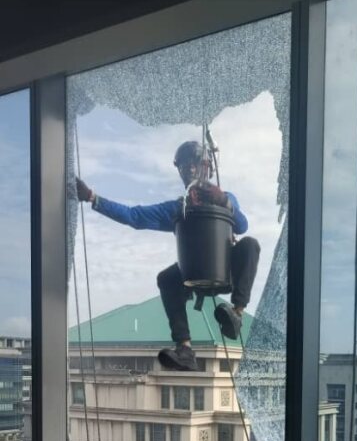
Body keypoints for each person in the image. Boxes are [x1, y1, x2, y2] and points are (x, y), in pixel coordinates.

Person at [76, 140, 260, 371]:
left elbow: (242, 225)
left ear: (206, 167)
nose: (190, 170)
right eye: (184, 166)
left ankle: (236, 314)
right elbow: (135, 216)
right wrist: (93, 197)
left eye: (194, 164)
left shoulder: (226, 198)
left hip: (225, 271)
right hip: (194, 272)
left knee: (250, 245)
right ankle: (184, 349)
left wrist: (223, 201)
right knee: (167, 278)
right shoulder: (178, 208)